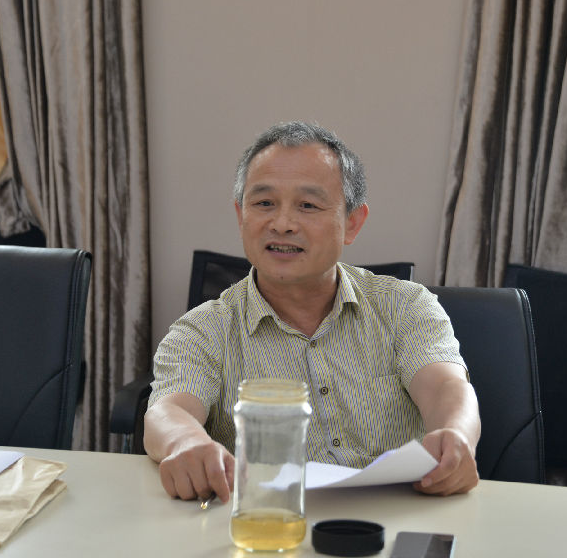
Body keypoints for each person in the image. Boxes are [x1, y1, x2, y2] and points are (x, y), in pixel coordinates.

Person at [144, 121, 480, 504]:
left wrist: (455, 436)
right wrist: (185, 441)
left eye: (307, 205)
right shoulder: (203, 330)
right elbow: (167, 411)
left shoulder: (405, 306)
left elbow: (446, 388)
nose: (282, 224)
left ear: (352, 223)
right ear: (241, 216)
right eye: (264, 203)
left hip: (397, 513)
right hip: (269, 521)